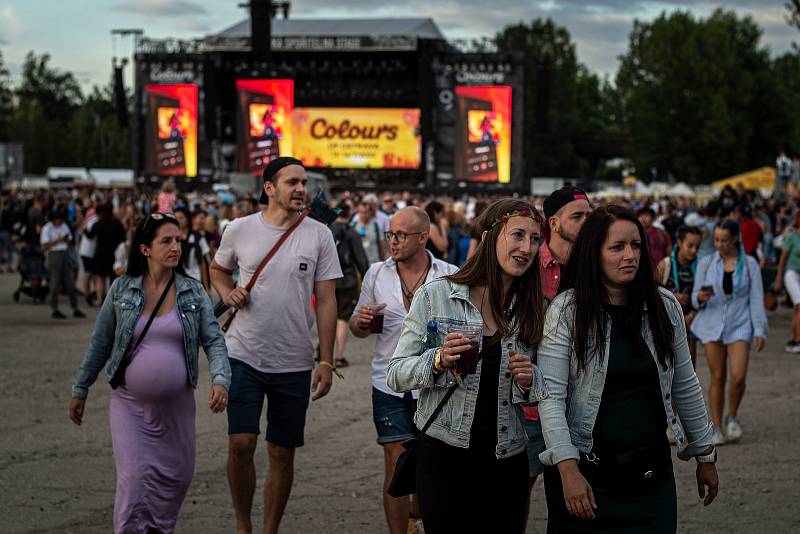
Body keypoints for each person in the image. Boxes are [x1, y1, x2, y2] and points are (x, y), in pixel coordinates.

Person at [537, 205, 718, 533]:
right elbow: (549, 396)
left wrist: (704, 453)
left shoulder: (664, 307)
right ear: (594, 252)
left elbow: (685, 383)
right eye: (617, 247)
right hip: (587, 478)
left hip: (651, 480)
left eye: (635, 246)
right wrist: (567, 470)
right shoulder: (566, 311)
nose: (629, 255)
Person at [387, 198, 549, 534]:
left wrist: (531, 380)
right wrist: (437, 359)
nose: (527, 247)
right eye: (517, 235)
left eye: (535, 239)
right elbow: (396, 373)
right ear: (491, 237)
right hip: (444, 455)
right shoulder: (437, 295)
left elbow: (544, 392)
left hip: (506, 459)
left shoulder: (535, 307)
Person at [68, 212, 231, 533]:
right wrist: (80, 388)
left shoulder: (193, 291)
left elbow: (214, 341)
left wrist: (220, 380)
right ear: (145, 249)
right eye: (166, 241)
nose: (175, 247)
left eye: (178, 241)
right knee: (134, 480)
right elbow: (100, 344)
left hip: (177, 410)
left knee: (175, 479)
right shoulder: (121, 290)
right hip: (130, 407)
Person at [210, 157, 342, 534]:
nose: (301, 189)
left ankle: (269, 530)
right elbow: (218, 269)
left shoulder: (319, 234)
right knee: (241, 443)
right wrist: (226, 291)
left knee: (282, 452)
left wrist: (327, 361)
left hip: (294, 361)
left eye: (303, 182)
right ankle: (242, 524)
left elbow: (328, 299)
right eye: (292, 182)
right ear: (269, 188)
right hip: (242, 354)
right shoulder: (239, 229)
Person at [349, 206, 457, 534]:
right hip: (388, 382)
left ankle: (420, 516)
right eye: (389, 234)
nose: (392, 242)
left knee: (431, 462)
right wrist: (361, 323)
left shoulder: (450, 274)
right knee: (395, 459)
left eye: (400, 235)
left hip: (436, 383)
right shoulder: (376, 274)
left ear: (423, 237)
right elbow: (356, 326)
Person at [692, 219, 767, 446]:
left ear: (735, 239)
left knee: (738, 375)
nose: (720, 244)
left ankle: (732, 416)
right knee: (717, 376)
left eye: (724, 240)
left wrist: (760, 329)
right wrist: (700, 297)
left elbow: (756, 297)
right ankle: (716, 426)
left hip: (740, 324)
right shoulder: (706, 262)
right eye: (716, 240)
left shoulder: (750, 264)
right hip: (711, 322)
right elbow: (696, 295)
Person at [655, 226, 703, 368]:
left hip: (690, 324)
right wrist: (673, 296)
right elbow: (650, 293)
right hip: (666, 325)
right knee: (665, 367)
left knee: (689, 368)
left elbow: (704, 298)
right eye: (690, 246)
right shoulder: (665, 265)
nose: (694, 250)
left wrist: (692, 315)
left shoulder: (700, 267)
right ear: (679, 243)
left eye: (697, 247)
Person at [330, 203, 369, 368]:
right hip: (348, 281)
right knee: (342, 319)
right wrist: (368, 280)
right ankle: (338, 356)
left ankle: (324, 353)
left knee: (328, 316)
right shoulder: (351, 232)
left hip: (328, 281)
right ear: (348, 214)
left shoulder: (327, 230)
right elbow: (361, 260)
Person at [40, 208, 85, 319]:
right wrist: (59, 239)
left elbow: (69, 238)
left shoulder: (64, 226)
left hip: (64, 254)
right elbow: (44, 246)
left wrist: (63, 240)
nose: (60, 221)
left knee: (70, 283)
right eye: (58, 219)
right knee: (54, 284)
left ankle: (75, 308)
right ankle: (54, 308)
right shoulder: (47, 229)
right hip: (54, 255)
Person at [86, 203, 126, 304]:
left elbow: (90, 235)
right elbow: (123, 237)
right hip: (112, 253)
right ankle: (111, 300)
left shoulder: (98, 223)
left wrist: (83, 228)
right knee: (112, 278)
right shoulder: (117, 223)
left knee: (100, 277)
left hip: (99, 253)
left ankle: (100, 299)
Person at [774, 210, 800, 352]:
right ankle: (798, 339)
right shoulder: (792, 236)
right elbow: (783, 259)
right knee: (799, 303)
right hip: (792, 273)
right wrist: (778, 278)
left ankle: (792, 338)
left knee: (798, 308)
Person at [174, 207, 211, 293]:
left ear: (187, 219)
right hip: (179, 281)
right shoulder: (173, 239)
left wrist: (206, 286)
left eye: (181, 218)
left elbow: (202, 263)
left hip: (196, 278)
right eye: (176, 218)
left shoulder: (197, 236)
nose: (179, 221)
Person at [353, 199, 386, 264]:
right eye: (361, 212)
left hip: (373, 264)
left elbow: (381, 245)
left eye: (365, 212)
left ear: (370, 212)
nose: (363, 215)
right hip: (359, 265)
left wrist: (383, 262)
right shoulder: (353, 226)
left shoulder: (376, 226)